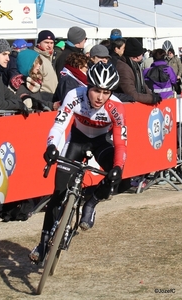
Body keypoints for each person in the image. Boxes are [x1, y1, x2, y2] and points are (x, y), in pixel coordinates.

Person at [29, 61, 127, 264]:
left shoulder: (116, 106)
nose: (100, 97)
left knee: (117, 174)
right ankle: (43, 243)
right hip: (76, 140)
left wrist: (117, 167)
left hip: (102, 142)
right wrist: (51, 147)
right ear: (88, 86)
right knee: (58, 195)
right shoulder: (74, 96)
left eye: (106, 92)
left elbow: (120, 142)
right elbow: (59, 125)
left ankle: (90, 204)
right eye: (97, 90)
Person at [111, 37, 162, 105]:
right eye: (141, 54)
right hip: (126, 108)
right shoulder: (123, 68)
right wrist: (151, 98)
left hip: (135, 105)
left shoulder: (134, 65)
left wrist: (151, 95)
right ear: (136, 57)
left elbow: (143, 84)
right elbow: (132, 95)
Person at [33, 30, 58, 96]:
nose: (49, 46)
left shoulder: (53, 57)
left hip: (53, 96)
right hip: (44, 96)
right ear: (39, 43)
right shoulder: (37, 58)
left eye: (51, 43)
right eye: (46, 42)